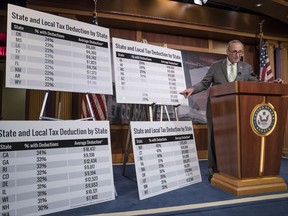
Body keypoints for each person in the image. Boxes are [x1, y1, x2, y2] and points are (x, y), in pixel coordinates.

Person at [180, 40, 284, 182]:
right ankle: (213, 170)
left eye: (240, 52)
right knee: (214, 139)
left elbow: (256, 82)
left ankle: (232, 169)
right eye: (234, 51)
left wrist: (271, 83)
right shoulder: (216, 66)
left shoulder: (246, 68)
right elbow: (205, 83)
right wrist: (192, 89)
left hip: (238, 110)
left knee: (235, 139)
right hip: (217, 108)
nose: (237, 55)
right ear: (227, 52)